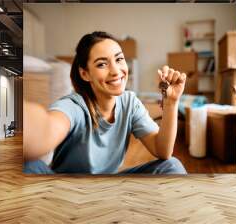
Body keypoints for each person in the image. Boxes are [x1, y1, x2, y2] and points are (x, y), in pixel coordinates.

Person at [23, 31, 187, 174]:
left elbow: (162, 150)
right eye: (102, 64)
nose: (116, 71)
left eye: (119, 59)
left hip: (106, 188)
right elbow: (48, 128)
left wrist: (171, 103)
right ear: (85, 74)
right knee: (29, 165)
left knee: (171, 166)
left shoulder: (130, 102)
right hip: (65, 191)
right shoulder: (74, 106)